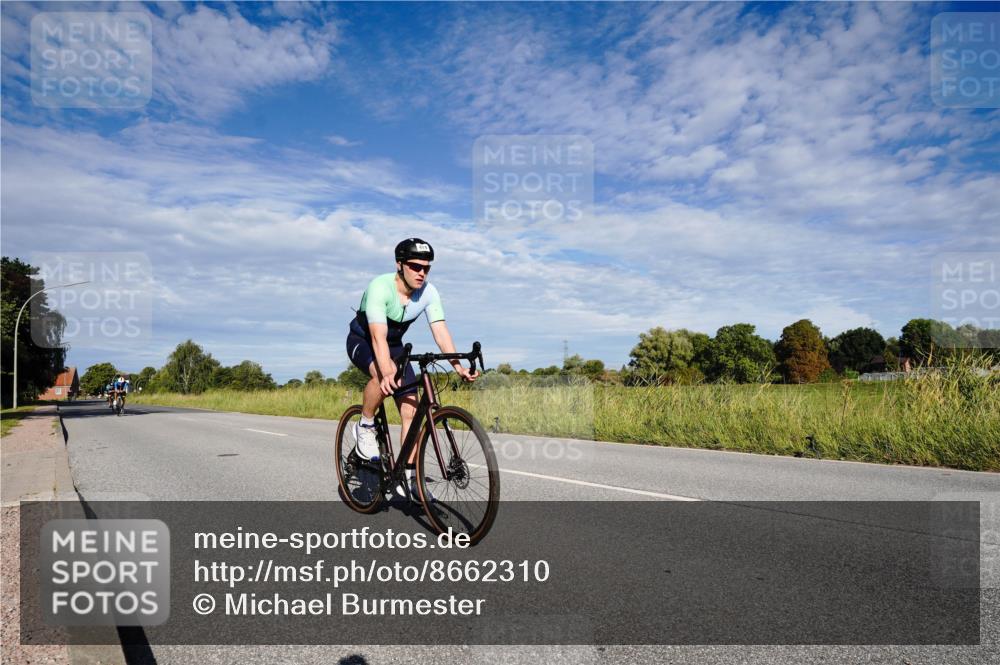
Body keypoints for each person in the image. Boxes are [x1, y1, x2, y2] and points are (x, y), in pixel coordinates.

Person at [345, 238, 478, 501]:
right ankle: (366, 425)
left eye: (426, 268)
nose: (422, 273)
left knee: (411, 411)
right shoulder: (380, 287)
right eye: (416, 266)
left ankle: (408, 476)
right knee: (383, 375)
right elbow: (377, 337)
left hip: (395, 346)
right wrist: (385, 370)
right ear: (400, 265)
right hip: (363, 340)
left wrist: (457, 366)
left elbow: (440, 330)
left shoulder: (428, 292)